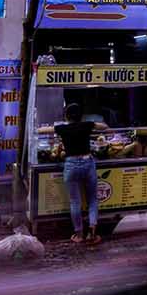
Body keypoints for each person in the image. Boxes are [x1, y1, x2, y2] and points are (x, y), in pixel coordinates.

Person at [54, 100, 100, 245]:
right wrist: (93, 124)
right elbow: (104, 127)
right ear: (81, 116)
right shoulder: (86, 125)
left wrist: (55, 126)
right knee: (92, 199)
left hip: (71, 164)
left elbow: (42, 131)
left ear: (67, 116)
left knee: (75, 201)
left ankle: (79, 234)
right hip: (87, 162)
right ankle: (92, 233)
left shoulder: (62, 128)